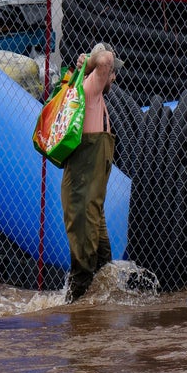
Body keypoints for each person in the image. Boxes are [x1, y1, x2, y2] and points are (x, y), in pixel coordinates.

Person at [60, 42, 120, 301]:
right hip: (82, 192)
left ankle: (95, 319)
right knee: (84, 265)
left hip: (91, 197)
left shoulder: (93, 94)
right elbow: (106, 59)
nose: (113, 77)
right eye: (112, 73)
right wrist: (91, 60)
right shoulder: (91, 86)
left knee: (103, 256)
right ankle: (73, 318)